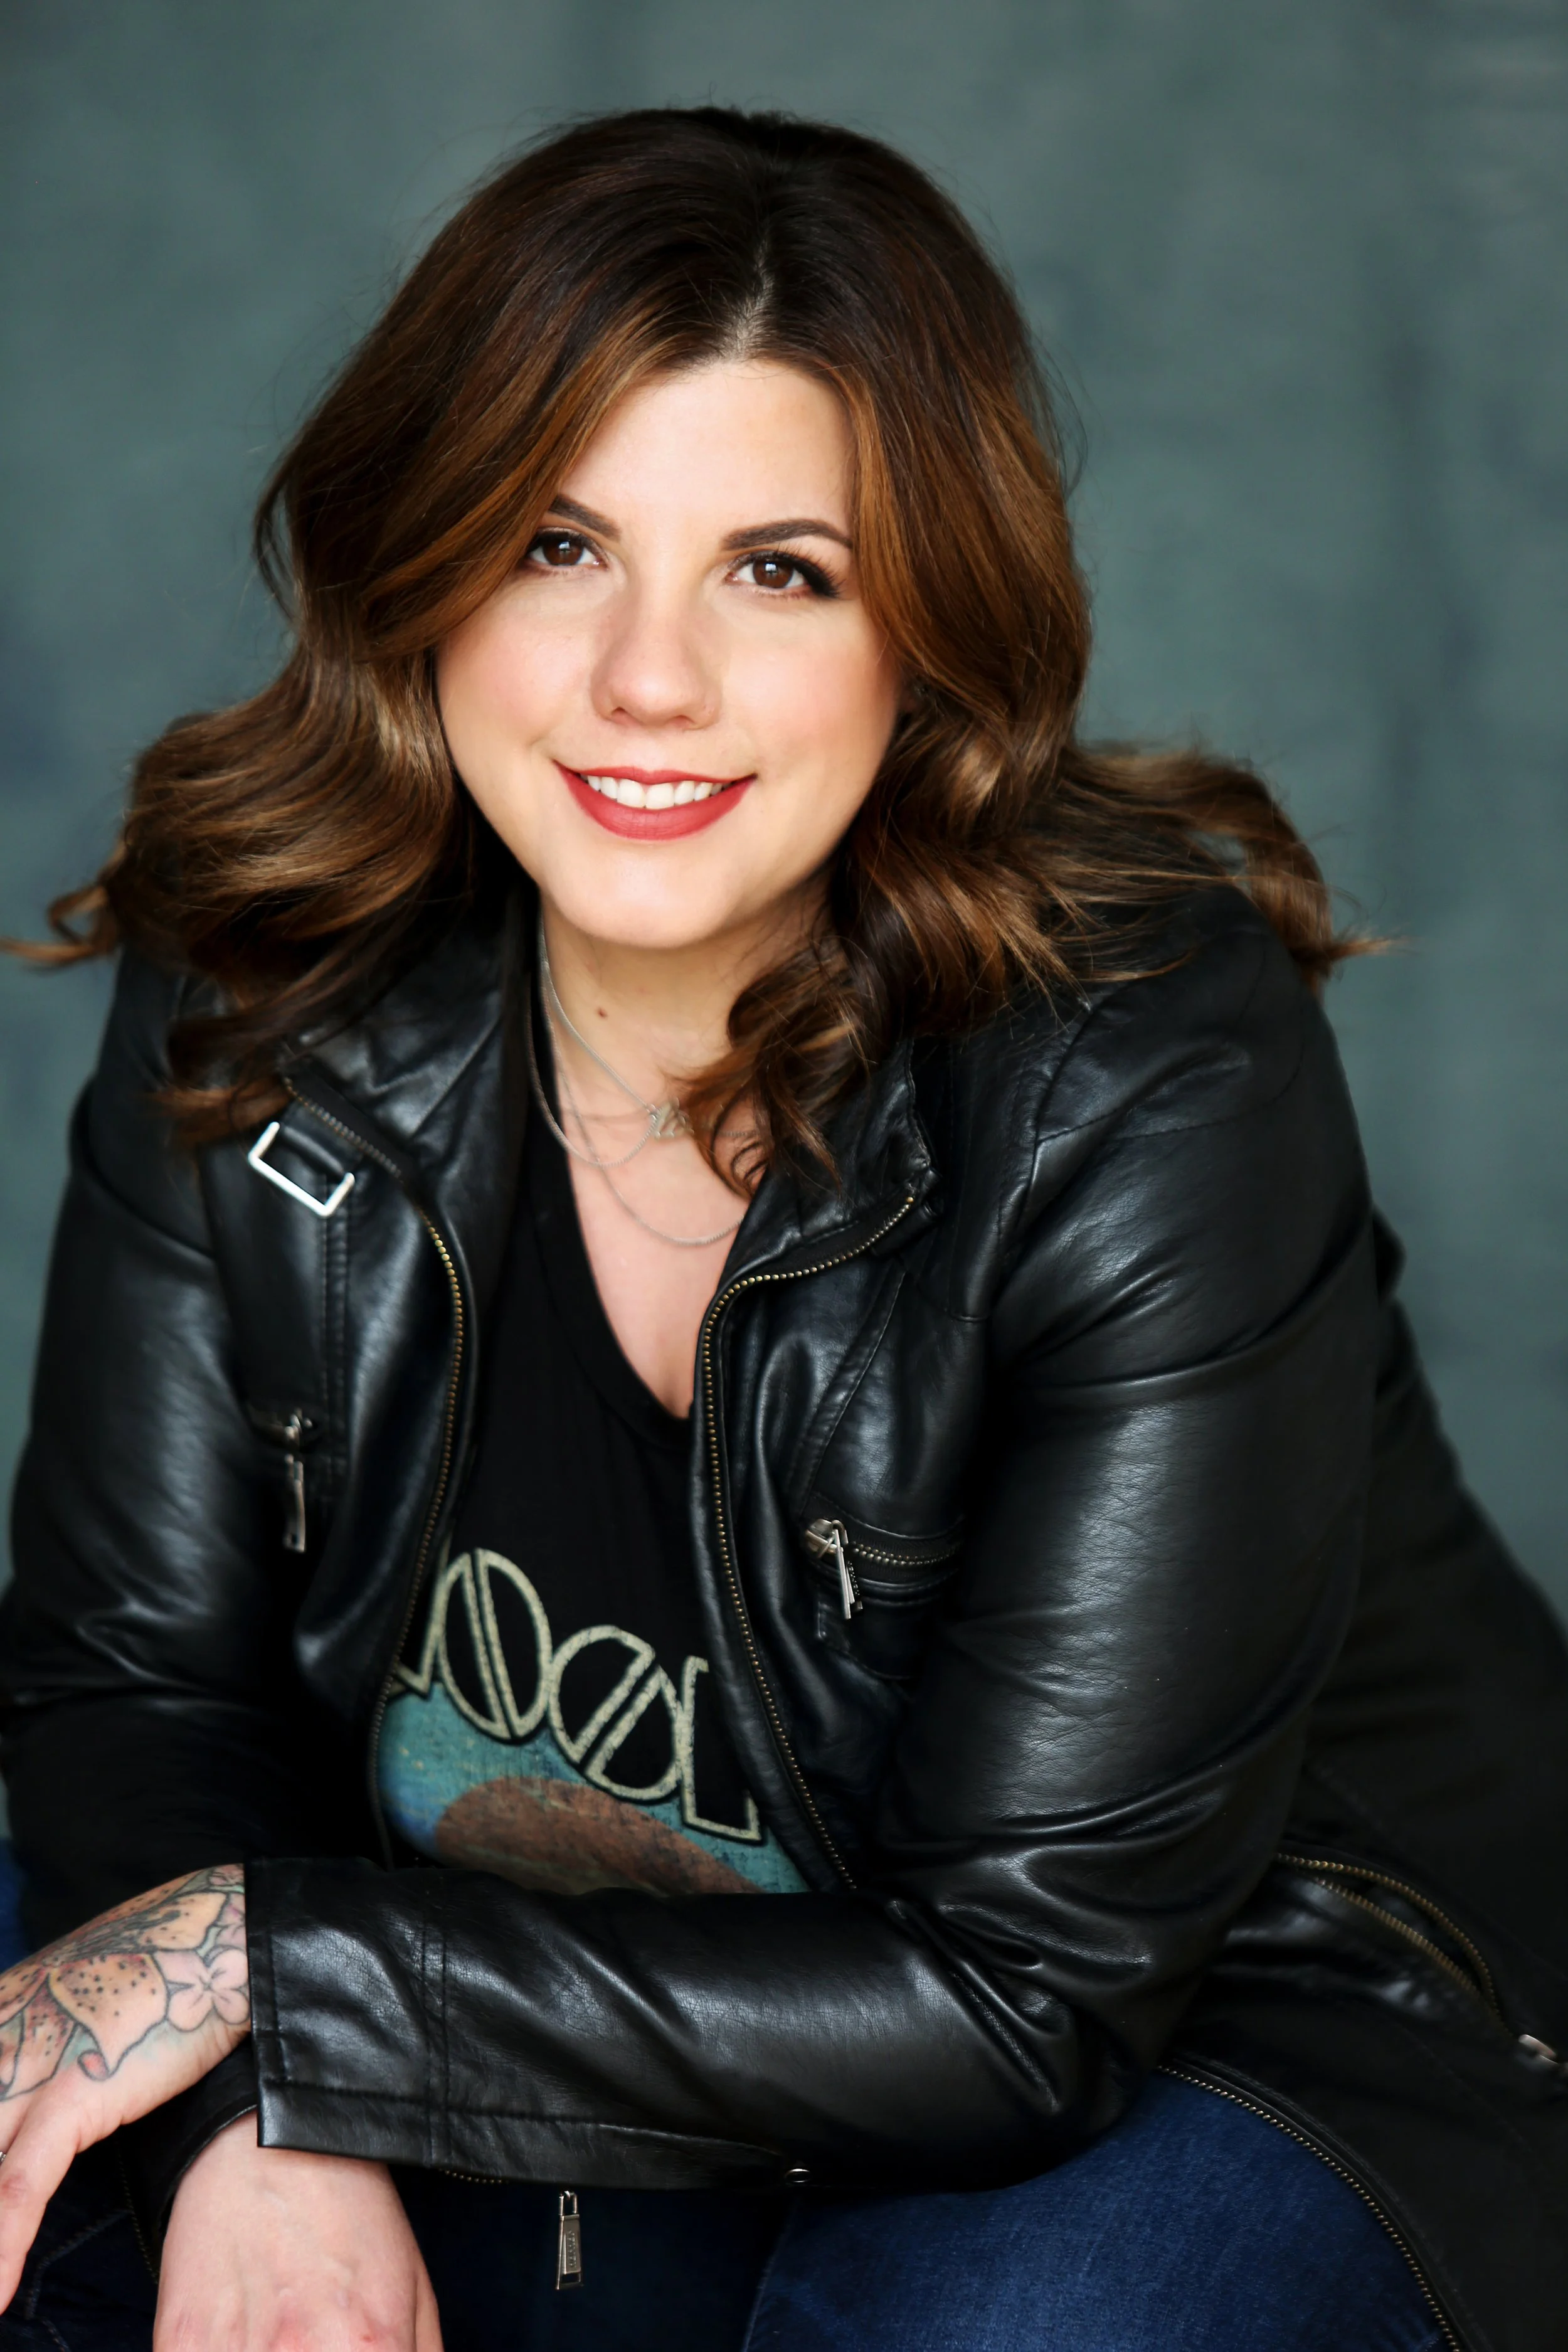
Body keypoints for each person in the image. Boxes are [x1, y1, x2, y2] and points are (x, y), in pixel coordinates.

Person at [0, 105, 1562, 2352]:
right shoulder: (263, 958)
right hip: (502, 1971)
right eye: (557, 543)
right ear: (421, 563)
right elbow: (136, 1680)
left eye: (779, 570)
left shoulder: (1148, 1066)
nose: (648, 679)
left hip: (1211, 2012)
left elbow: (1025, 1995)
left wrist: (278, 1975)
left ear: (926, 633)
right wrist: (262, 2110)